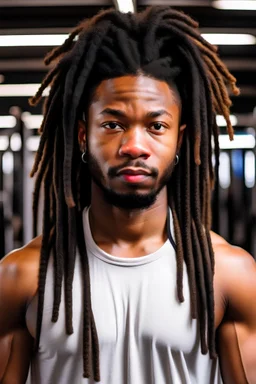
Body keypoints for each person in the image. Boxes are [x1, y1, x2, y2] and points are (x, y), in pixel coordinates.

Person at [0, 5, 256, 384]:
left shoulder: (229, 275)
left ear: (179, 139)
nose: (135, 145)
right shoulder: (20, 276)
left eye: (156, 125)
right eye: (113, 124)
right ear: (84, 135)